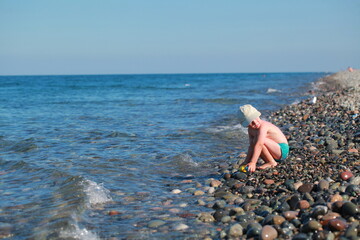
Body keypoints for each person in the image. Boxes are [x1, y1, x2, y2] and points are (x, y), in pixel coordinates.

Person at [238, 104, 289, 172]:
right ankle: (269, 161)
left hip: (282, 150)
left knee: (259, 141)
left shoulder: (263, 126)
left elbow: (259, 144)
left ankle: (272, 162)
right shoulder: (250, 130)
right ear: (247, 125)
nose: (255, 123)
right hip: (273, 153)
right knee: (254, 142)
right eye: (251, 122)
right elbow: (251, 146)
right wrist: (246, 162)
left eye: (255, 118)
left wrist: (253, 162)